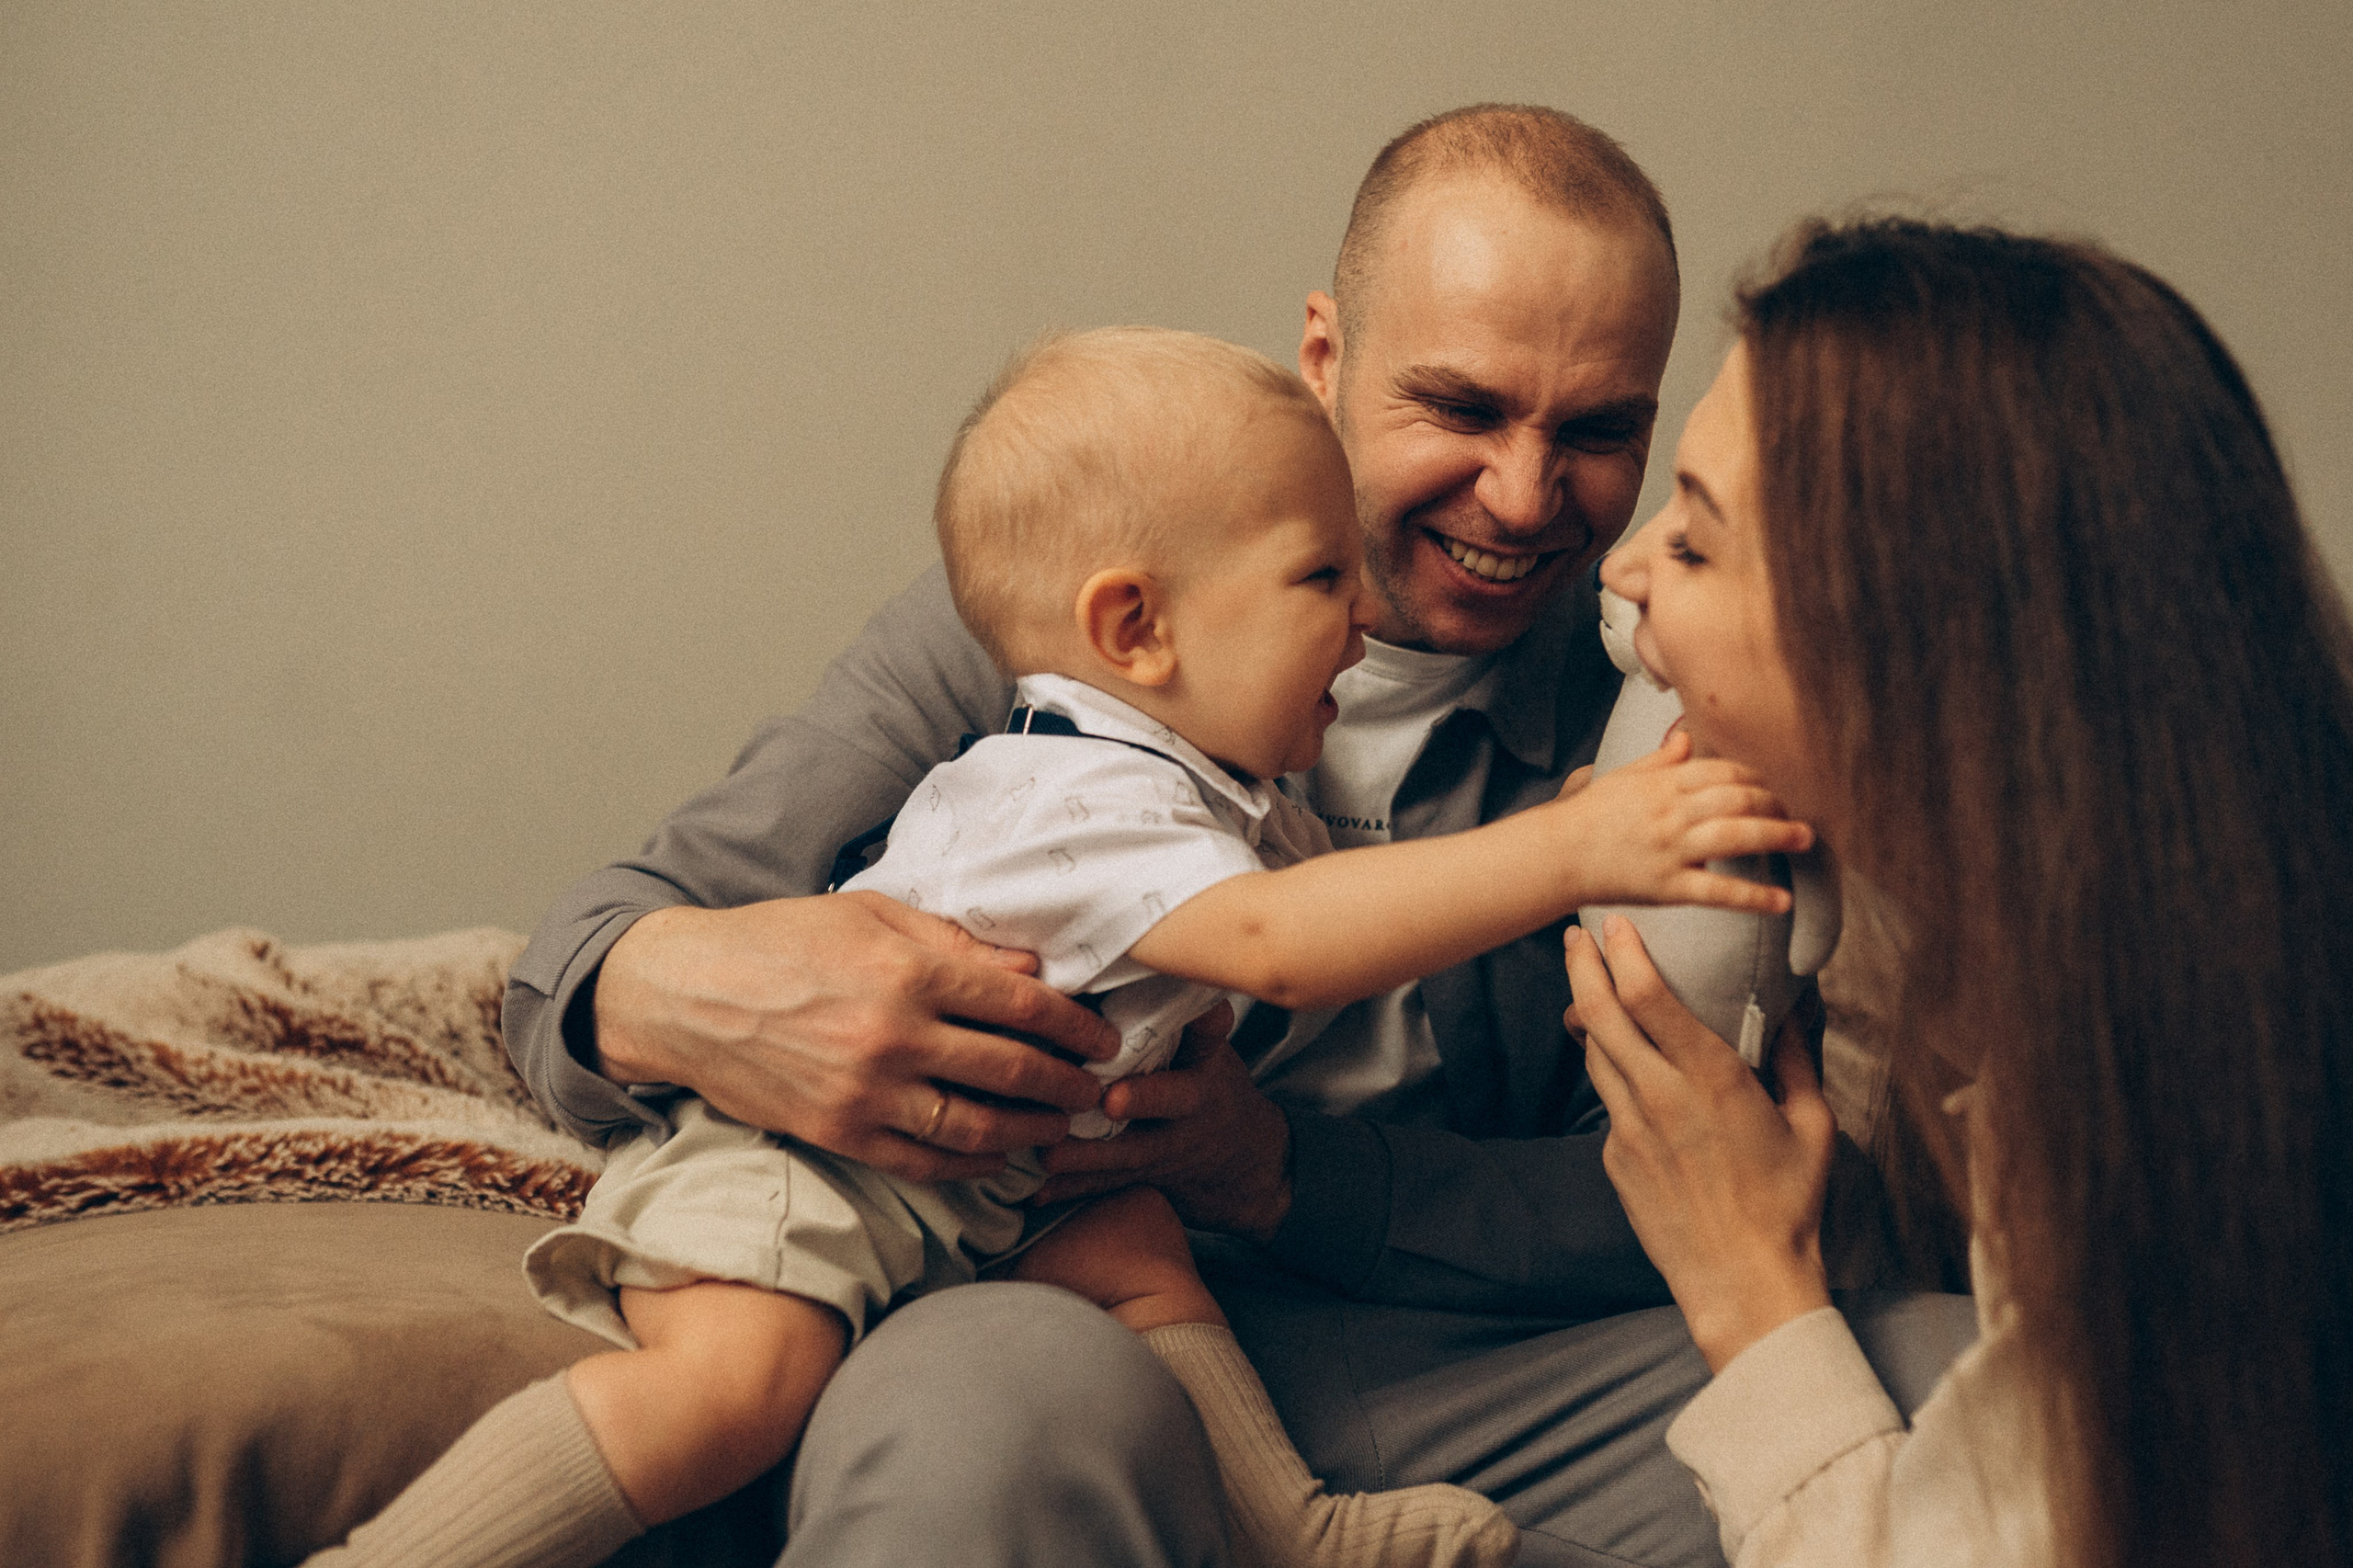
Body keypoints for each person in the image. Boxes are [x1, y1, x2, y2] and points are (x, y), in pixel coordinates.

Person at [505, 107, 1974, 1568]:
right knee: (988, 1428)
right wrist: (740, 1001)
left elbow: (1701, 1181)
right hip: (1056, 1299)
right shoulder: (1064, 619)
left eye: (1597, 432)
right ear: (1324, 357)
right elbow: (581, 959)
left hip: (1448, 1359)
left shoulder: (1654, 695)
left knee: (1952, 1390)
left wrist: (1273, 1169)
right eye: (1460, 409)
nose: (1526, 499)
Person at [313, 325, 1808, 1568]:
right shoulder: (1082, 781)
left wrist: (1568, 817)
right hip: (819, 1178)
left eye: (1603, 428)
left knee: (1142, 1262)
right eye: (1322, 580)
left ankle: (1296, 1523)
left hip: (1043, 1204)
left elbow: (1383, 902)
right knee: (729, 1389)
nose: (1364, 617)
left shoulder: (1249, 752)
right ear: (1135, 628)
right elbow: (1283, 944)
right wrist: (1576, 846)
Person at [1574, 217, 2353, 1567]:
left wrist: (1748, 1292)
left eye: (1694, 547)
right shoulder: (2010, 921)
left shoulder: (2167, 1123)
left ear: (1893, 664)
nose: (1625, 571)